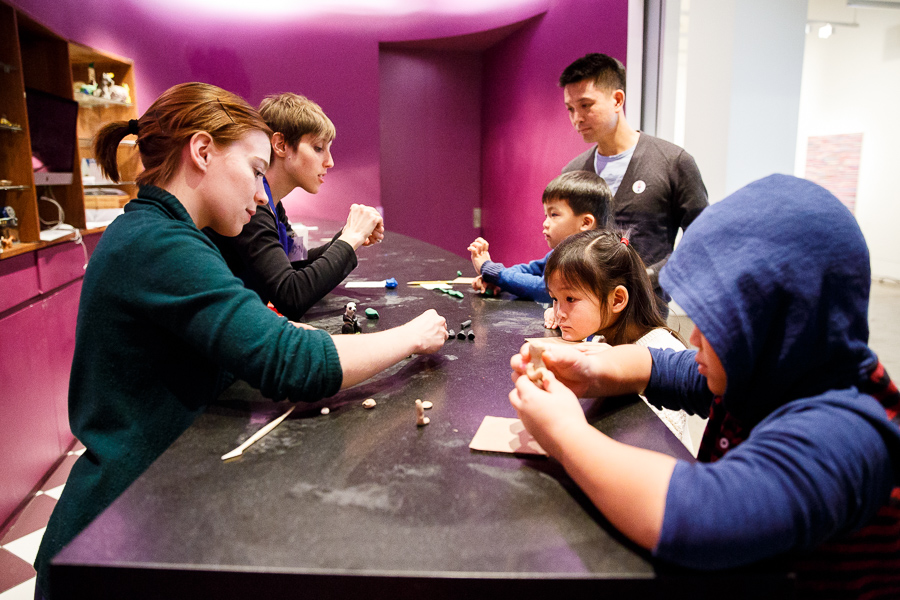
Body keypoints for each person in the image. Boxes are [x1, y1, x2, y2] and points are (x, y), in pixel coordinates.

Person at [33, 83, 447, 600]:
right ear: (202, 151)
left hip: (143, 511)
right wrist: (411, 337)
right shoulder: (159, 244)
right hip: (117, 533)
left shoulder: (165, 232)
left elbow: (222, 343)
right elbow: (294, 365)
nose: (259, 195)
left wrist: (271, 332)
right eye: (255, 171)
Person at [509, 175, 900, 597]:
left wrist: (564, 431)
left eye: (715, 324)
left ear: (775, 324)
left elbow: (704, 517)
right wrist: (591, 368)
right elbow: (663, 367)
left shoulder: (846, 433)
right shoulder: (766, 372)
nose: (694, 337)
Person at [206, 92, 384, 321]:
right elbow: (291, 296)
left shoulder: (274, 204)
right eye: (318, 148)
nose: (330, 162)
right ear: (281, 145)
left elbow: (296, 262)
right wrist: (350, 239)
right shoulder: (252, 208)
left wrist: (348, 236)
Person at [559, 53, 708, 319]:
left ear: (617, 100)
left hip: (646, 316)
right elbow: (564, 246)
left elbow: (701, 238)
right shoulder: (573, 172)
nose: (577, 118)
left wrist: (651, 275)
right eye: (571, 109)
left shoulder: (673, 162)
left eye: (586, 105)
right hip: (584, 318)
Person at [543, 228, 701, 452]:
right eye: (554, 299)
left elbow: (651, 444)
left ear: (617, 299)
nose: (559, 312)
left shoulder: (663, 349)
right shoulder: (603, 337)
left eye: (570, 298)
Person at [467, 170, 613, 303]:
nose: (545, 223)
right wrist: (500, 282)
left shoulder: (589, 258)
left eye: (554, 215)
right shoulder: (561, 252)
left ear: (586, 222)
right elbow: (532, 270)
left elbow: (546, 289)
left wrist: (492, 271)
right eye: (546, 215)